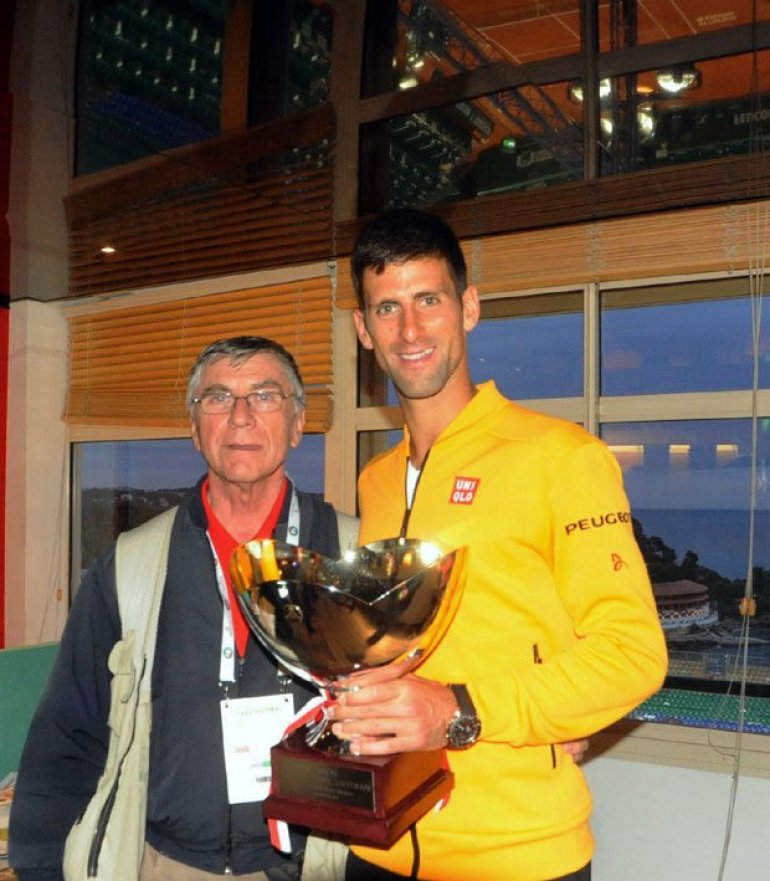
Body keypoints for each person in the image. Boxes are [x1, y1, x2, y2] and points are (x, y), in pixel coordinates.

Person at [328, 208, 668, 881]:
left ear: (469, 307)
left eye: (429, 300)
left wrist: (461, 709)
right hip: (377, 844)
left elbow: (633, 655)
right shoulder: (376, 480)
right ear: (364, 330)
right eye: (388, 308)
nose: (410, 330)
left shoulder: (561, 457)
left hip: (518, 855)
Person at [9, 336, 353, 881]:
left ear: (298, 424)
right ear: (194, 428)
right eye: (218, 398)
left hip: (316, 863)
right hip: (164, 863)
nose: (240, 416)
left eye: (265, 395)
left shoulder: (350, 557)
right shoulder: (129, 566)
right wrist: (41, 864)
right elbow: (68, 734)